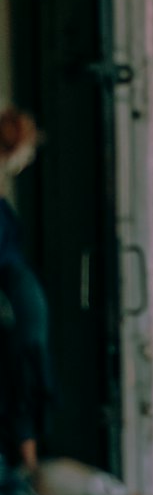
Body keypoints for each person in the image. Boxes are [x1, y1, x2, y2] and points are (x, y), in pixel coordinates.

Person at [0, 109, 53, 476]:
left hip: (18, 307)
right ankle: (27, 470)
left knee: (22, 384)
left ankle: (27, 470)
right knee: (18, 385)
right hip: (12, 310)